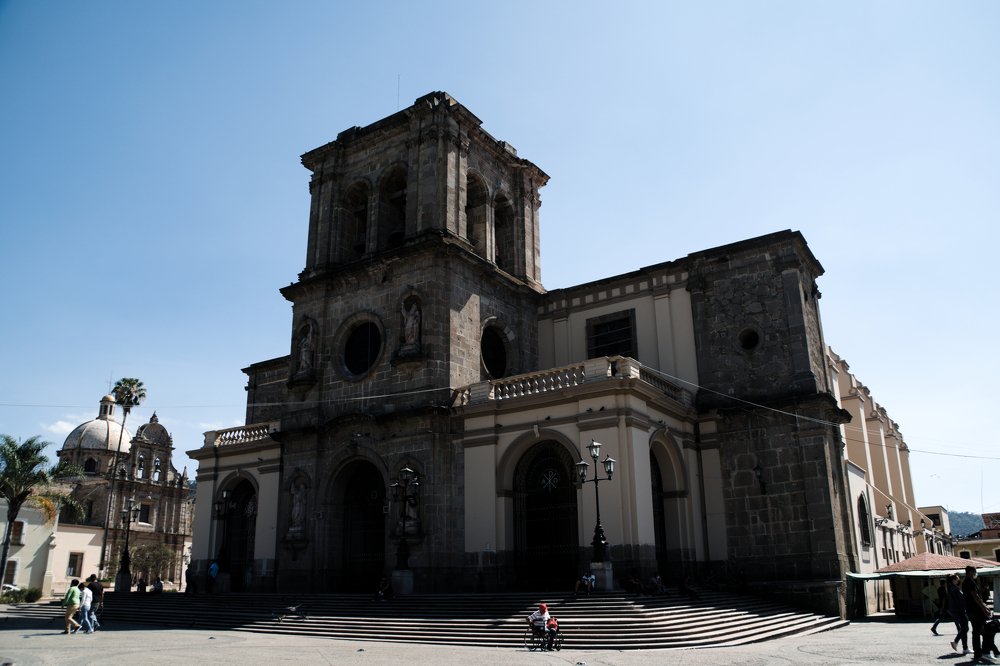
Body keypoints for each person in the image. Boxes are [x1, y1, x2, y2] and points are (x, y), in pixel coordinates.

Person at [963, 565, 995, 664]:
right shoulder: (970, 582)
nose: (975, 574)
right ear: (970, 572)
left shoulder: (966, 582)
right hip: (975, 611)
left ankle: (978, 652)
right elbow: (975, 596)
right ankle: (985, 652)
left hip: (971, 610)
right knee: (985, 630)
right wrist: (984, 608)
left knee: (976, 632)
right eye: (974, 572)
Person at [948, 573, 970, 656]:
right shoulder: (955, 589)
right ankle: (956, 642)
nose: (958, 580)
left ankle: (965, 648)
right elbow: (961, 601)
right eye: (957, 579)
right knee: (965, 628)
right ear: (953, 580)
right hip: (960, 611)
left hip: (956, 611)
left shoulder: (951, 589)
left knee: (964, 629)